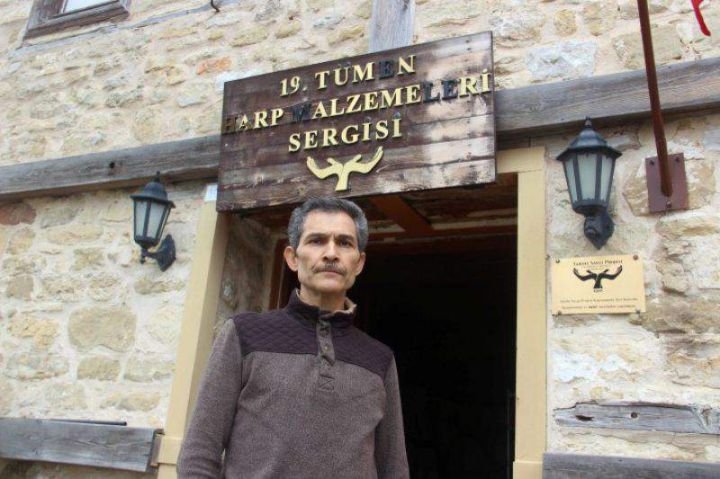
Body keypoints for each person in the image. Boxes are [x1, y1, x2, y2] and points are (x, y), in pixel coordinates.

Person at [177, 197, 409, 479]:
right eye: (317, 241)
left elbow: (394, 469)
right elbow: (199, 453)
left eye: (344, 243)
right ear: (292, 258)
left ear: (359, 263)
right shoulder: (244, 334)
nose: (331, 253)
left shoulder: (379, 359)